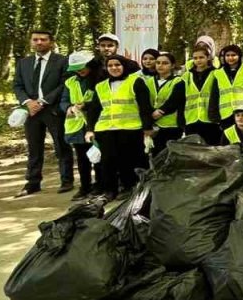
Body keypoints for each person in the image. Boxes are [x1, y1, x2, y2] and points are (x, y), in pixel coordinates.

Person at [84, 55, 153, 200]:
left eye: (117, 65)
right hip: (105, 129)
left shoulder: (136, 81)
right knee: (107, 161)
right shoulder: (100, 86)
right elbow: (94, 110)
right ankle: (110, 190)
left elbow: (145, 107)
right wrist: (90, 129)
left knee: (127, 161)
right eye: (110, 66)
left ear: (124, 66)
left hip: (130, 128)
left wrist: (147, 128)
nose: (114, 68)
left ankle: (128, 188)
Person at [12, 29, 72, 197]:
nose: (39, 43)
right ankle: (32, 182)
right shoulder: (24, 63)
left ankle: (66, 181)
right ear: (31, 42)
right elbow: (17, 85)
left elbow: (65, 84)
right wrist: (28, 102)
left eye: (43, 39)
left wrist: (43, 101)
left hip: (52, 109)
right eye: (35, 40)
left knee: (61, 145)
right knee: (34, 147)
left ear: (51, 42)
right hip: (31, 111)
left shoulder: (62, 61)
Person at [59, 51, 97, 200]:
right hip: (77, 126)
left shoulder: (98, 79)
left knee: (99, 158)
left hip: (95, 123)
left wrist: (87, 105)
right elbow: (63, 100)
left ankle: (100, 186)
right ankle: (85, 187)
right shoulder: (71, 82)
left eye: (82, 67)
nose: (80, 70)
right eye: (76, 68)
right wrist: (68, 107)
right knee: (82, 159)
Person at [210, 44, 243, 128]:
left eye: (233, 55)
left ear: (239, 56)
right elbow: (214, 95)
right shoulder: (218, 73)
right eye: (227, 55)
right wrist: (214, 115)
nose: (230, 58)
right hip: (226, 115)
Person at [182, 47, 222, 145]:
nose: (198, 60)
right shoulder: (187, 75)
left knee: (211, 151)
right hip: (191, 119)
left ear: (208, 58)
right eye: (195, 58)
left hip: (211, 119)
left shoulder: (216, 73)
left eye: (201, 57)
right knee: (193, 152)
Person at [149, 52, 185, 155]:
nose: (160, 65)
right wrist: (150, 115)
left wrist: (160, 112)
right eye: (158, 63)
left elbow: (174, 101)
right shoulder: (148, 81)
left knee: (169, 156)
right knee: (155, 156)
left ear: (172, 65)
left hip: (171, 126)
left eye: (165, 63)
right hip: (153, 125)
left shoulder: (178, 81)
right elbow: (144, 101)